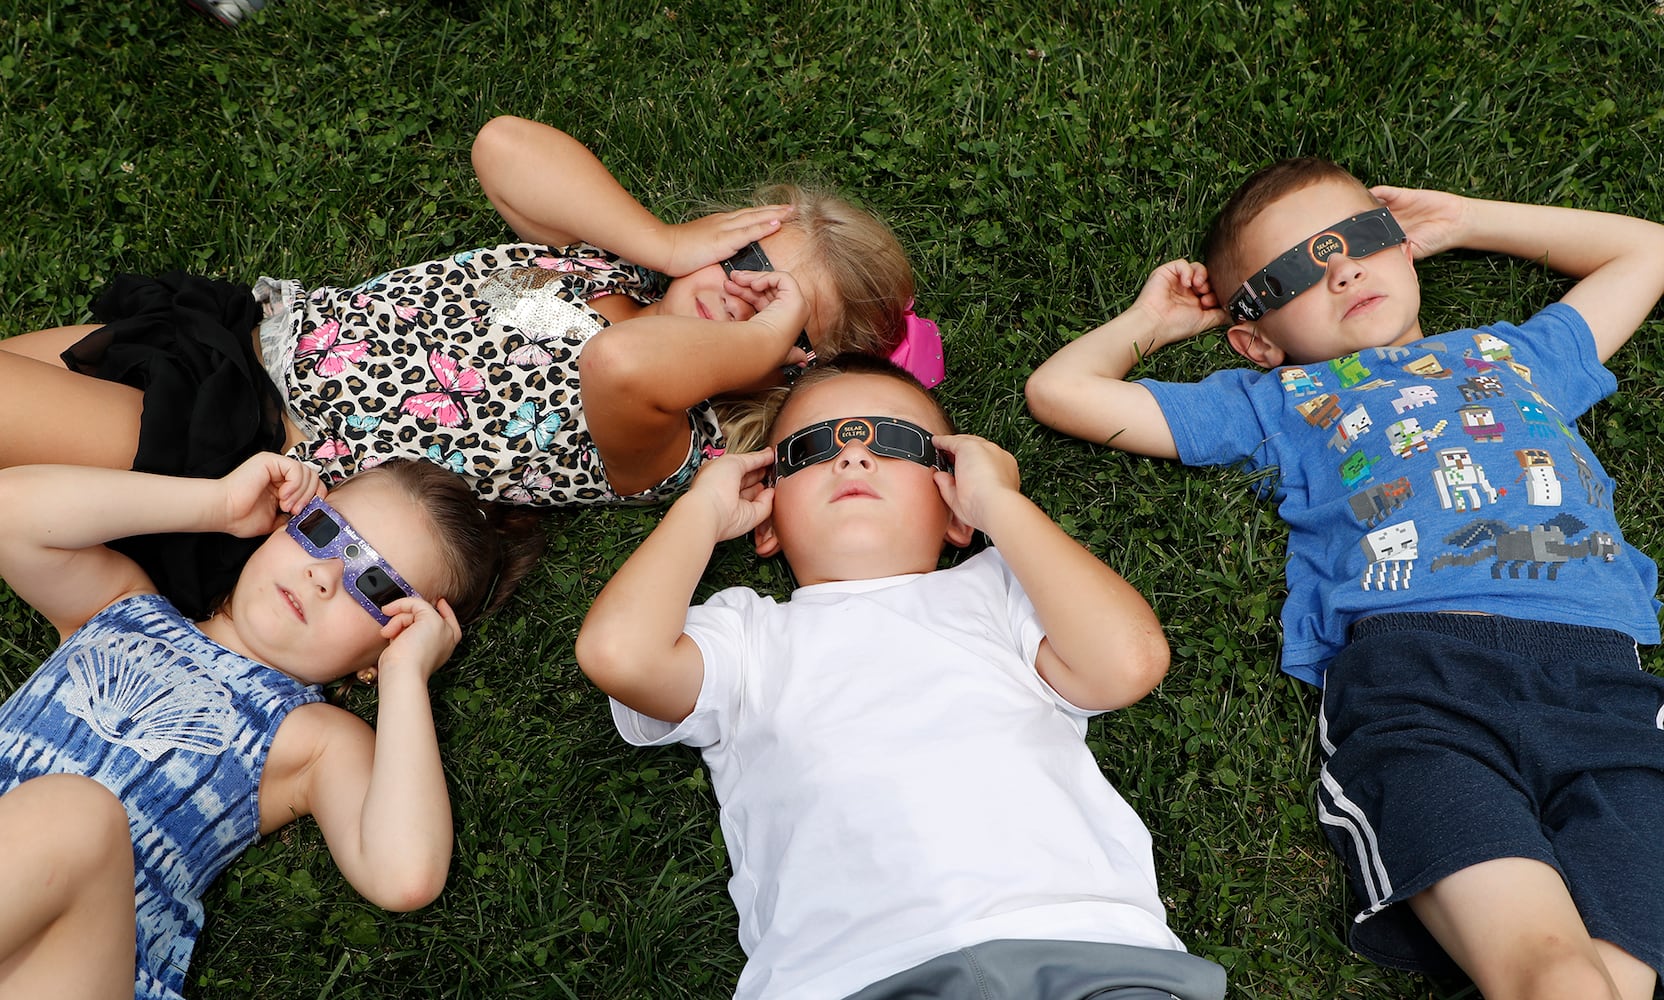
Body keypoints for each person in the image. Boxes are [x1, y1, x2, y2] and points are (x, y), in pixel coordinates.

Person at [1025, 157, 1664, 1000]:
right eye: (1292, 271)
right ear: (1255, 340)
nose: (1339, 265)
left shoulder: (1518, 355)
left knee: (1615, 982)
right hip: (1425, 688)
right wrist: (1152, 321)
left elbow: (1647, 251)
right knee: (1554, 979)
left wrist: (1469, 218)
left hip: (1607, 687)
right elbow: (1060, 391)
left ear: (1401, 248)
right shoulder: (1278, 399)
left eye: (1360, 235)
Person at [0, 115, 935, 619]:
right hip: (234, 339)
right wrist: (658, 238)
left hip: (248, 446)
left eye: (779, 313)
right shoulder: (612, 256)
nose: (744, 293)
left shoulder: (670, 443)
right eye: (753, 262)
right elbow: (503, 147)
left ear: (788, 361)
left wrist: (752, 350)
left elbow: (619, 363)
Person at [575, 353, 1227, 1000]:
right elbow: (620, 656)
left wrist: (1000, 504)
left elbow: (1126, 662)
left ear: (953, 509)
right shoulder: (745, 637)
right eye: (811, 448)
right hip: (851, 978)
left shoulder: (1003, 591)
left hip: (1083, 952)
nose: (854, 457)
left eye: (894, 441)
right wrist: (701, 512)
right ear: (767, 519)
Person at [0, 451, 544, 999]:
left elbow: (405, 875)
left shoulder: (313, 739)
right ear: (287, 519)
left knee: (77, 818)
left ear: (384, 650)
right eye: (323, 530)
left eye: (375, 586)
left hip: (67, 963)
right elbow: (10, 511)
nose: (324, 574)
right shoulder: (117, 604)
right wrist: (218, 503)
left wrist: (406, 676)